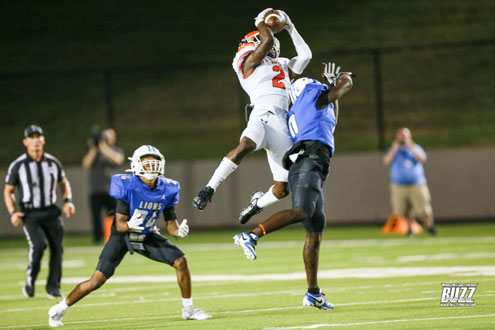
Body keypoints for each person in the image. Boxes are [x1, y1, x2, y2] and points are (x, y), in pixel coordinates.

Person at [233, 63, 353, 310]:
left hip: (312, 162)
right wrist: (342, 77)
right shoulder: (312, 97)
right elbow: (345, 86)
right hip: (309, 161)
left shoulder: (304, 107)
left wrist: (332, 88)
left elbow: (332, 118)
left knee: (315, 230)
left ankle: (313, 293)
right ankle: (251, 236)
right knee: (302, 212)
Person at [48, 145, 211, 327]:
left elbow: (171, 224)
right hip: (122, 235)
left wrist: (178, 231)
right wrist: (130, 225)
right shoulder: (127, 184)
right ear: (136, 165)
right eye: (147, 163)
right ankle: (60, 309)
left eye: (154, 163)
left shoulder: (168, 188)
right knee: (97, 280)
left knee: (181, 261)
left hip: (147, 234)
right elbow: (119, 223)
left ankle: (188, 310)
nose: (152, 166)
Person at [193, 8, 312, 224]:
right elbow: (266, 42)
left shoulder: (284, 65)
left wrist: (291, 27)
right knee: (245, 145)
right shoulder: (246, 64)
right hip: (262, 116)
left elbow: (306, 56)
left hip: (282, 125)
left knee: (282, 189)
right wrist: (260, 22)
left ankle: (256, 204)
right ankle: (209, 188)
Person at [3, 125, 76, 299]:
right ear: (25, 142)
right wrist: (13, 212)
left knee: (57, 248)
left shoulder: (52, 162)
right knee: (38, 246)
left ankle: (53, 287)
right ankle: (30, 281)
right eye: (32, 137)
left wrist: (68, 201)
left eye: (39, 137)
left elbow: (64, 183)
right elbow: (8, 190)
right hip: (31, 214)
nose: (36, 140)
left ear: (43, 140)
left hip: (51, 212)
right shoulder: (18, 165)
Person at [383, 127, 436, 235]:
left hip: (416, 184)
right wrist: (395, 148)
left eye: (405, 135)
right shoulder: (394, 149)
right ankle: (409, 229)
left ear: (409, 137)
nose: (403, 138)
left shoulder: (415, 148)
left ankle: (429, 226)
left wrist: (411, 146)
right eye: (401, 135)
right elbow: (386, 161)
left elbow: (422, 158)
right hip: (399, 185)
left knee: (423, 209)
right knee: (403, 210)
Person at [82, 127, 125, 242]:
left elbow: (118, 160)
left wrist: (103, 147)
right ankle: (97, 238)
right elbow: (86, 164)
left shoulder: (115, 150)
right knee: (96, 217)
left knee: (114, 214)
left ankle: (114, 235)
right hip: (95, 190)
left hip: (111, 189)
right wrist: (93, 149)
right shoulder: (94, 152)